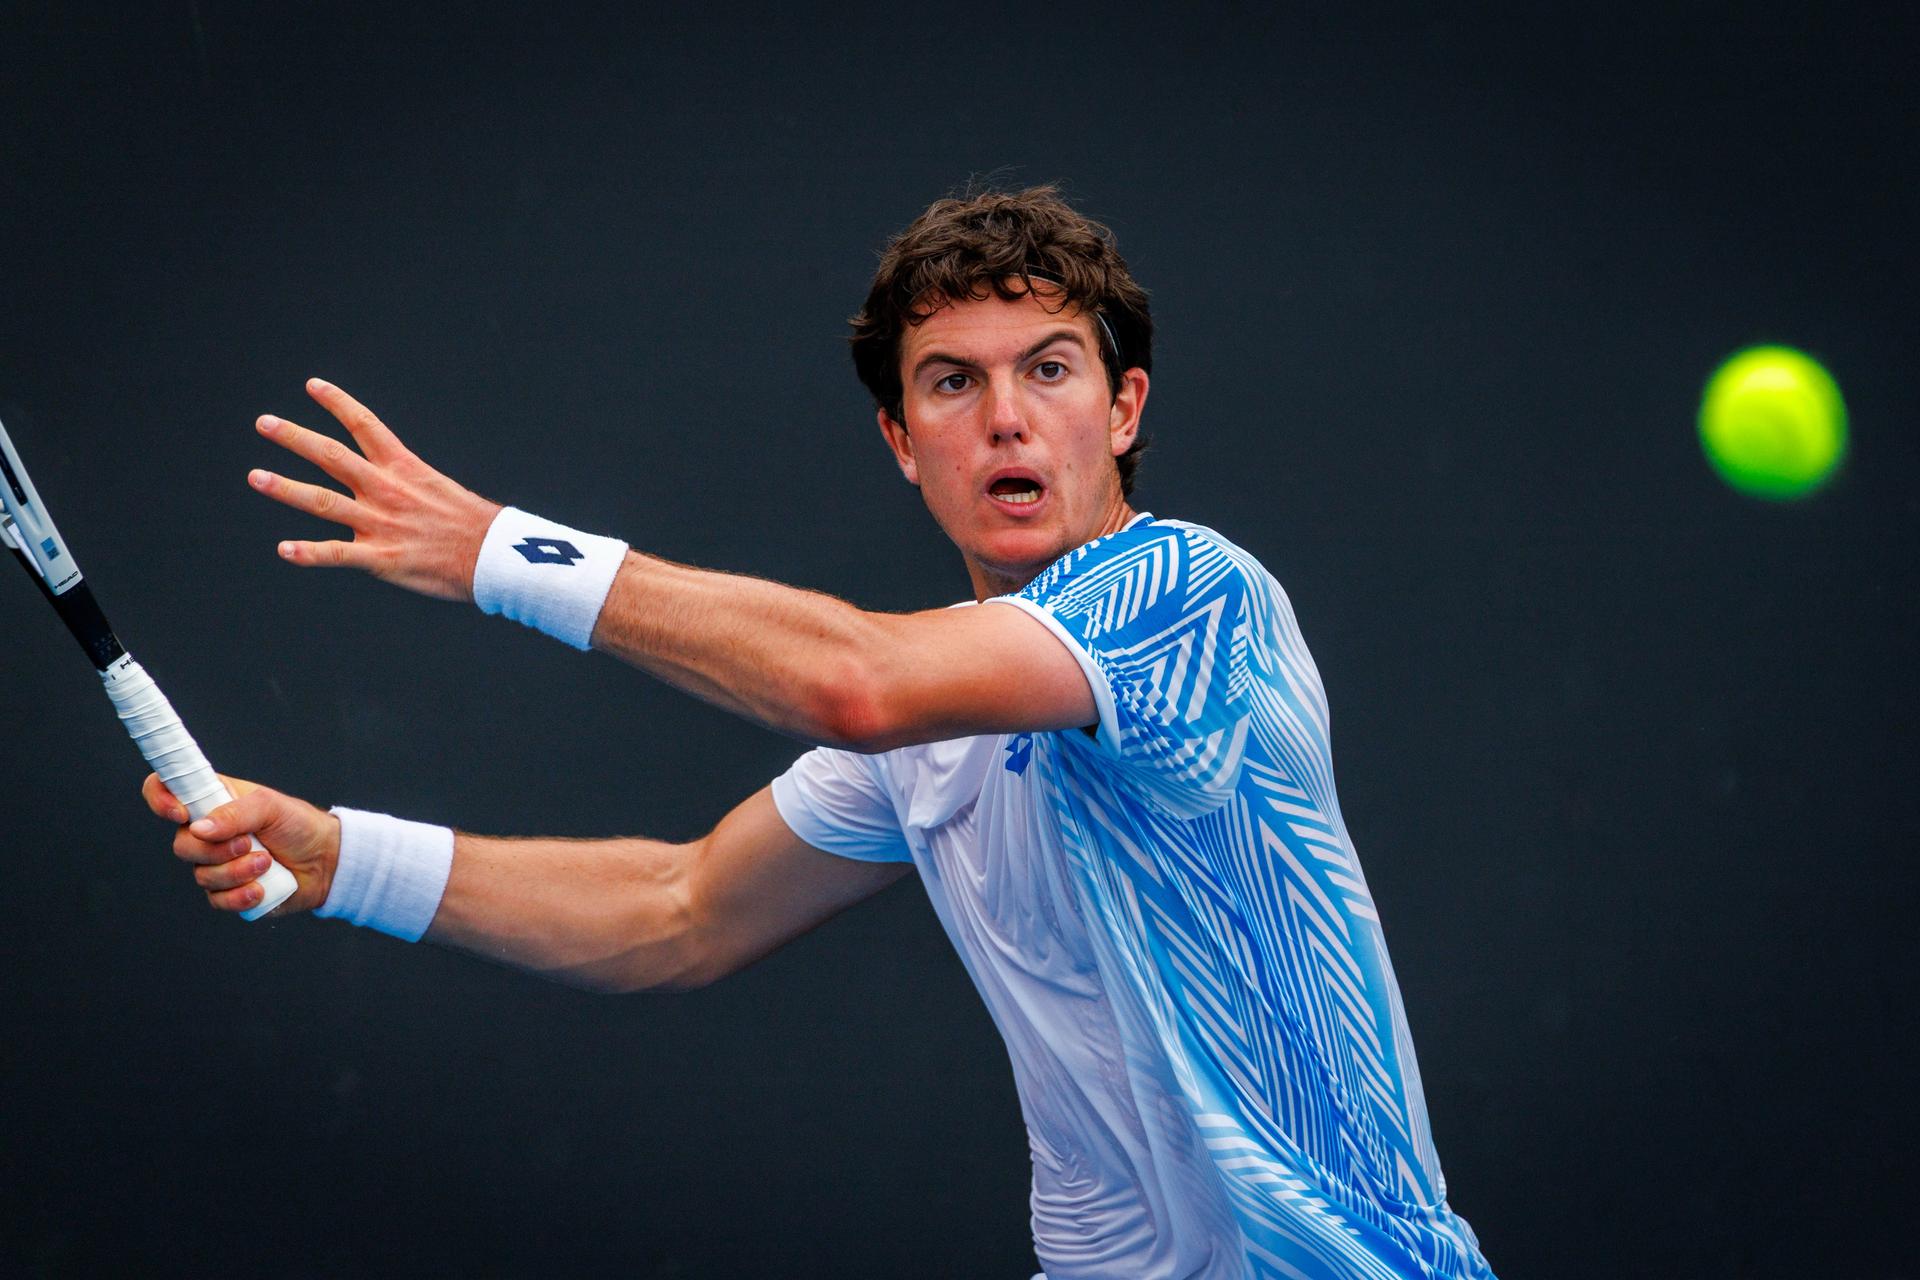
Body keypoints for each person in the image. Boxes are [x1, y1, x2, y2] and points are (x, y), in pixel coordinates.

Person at [144, 187, 1495, 1279]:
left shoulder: (1190, 595)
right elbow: (678, 909)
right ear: (903, 442)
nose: (1007, 416)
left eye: (1051, 370)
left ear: (1124, 409)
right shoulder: (934, 726)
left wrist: (501, 551)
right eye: (953, 385)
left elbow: (856, 679)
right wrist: (339, 860)